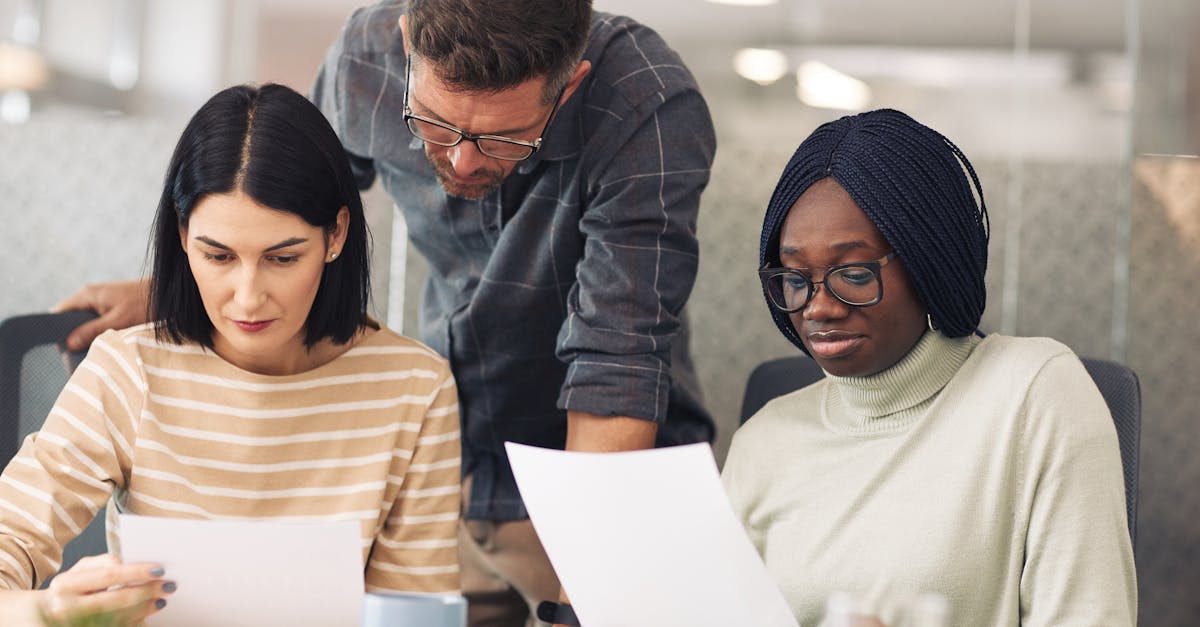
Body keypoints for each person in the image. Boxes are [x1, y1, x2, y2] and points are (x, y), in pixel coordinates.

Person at [52, 1, 716, 625]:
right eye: (434, 123)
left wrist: (584, 600)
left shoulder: (644, 103)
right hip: (453, 472)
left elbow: (617, 362)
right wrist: (178, 284)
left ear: (569, 86)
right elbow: (284, 207)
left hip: (606, 487)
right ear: (406, 47)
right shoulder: (365, 60)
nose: (461, 160)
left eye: (505, 139)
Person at [1, 83, 461, 625]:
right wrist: (46, 611)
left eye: (282, 258)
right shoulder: (129, 371)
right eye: (218, 256)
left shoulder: (415, 389)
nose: (247, 297)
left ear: (336, 234)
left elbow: (413, 613)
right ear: (183, 235)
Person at [721, 109, 1136, 625]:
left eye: (854, 274)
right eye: (795, 278)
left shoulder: (1036, 393)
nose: (818, 307)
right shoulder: (763, 441)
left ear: (928, 262)